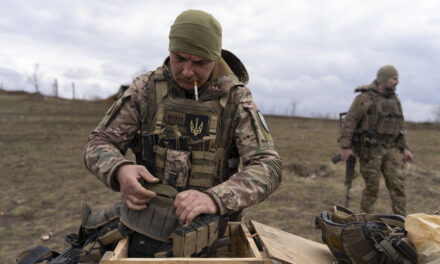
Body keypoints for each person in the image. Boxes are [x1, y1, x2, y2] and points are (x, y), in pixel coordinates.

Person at [83, 9, 282, 257]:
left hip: (210, 234)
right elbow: (98, 142)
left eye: (200, 63)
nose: (188, 71)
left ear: (215, 57)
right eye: (179, 59)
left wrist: (216, 198)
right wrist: (120, 170)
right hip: (144, 227)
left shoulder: (235, 99)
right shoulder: (146, 90)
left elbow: (268, 165)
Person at [339, 65, 414, 216]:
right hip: (370, 150)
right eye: (394, 79)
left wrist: (405, 148)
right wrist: (346, 147)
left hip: (392, 149)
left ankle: (403, 224)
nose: (397, 82)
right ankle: (365, 222)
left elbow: (400, 125)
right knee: (372, 188)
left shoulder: (395, 100)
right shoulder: (365, 97)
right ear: (384, 80)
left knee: (398, 187)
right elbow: (350, 122)